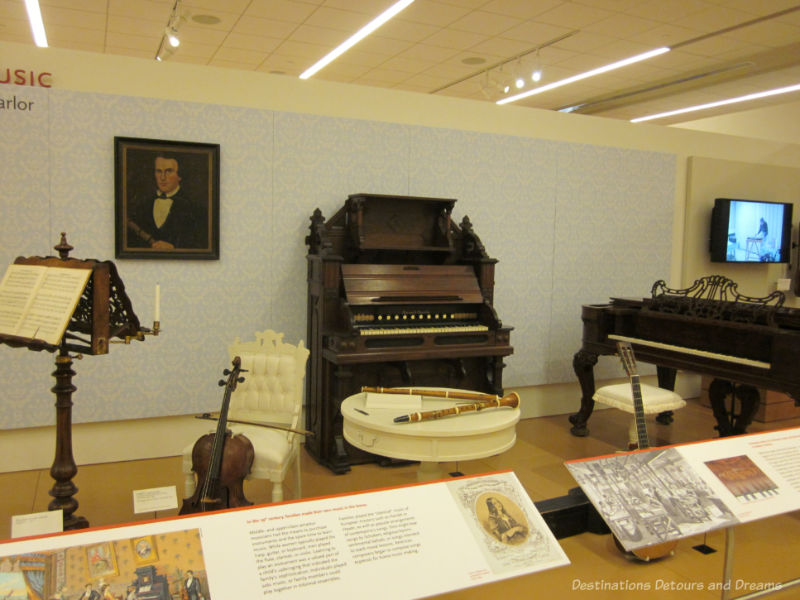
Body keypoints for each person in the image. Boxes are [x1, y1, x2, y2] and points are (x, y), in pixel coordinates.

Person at [127, 153, 204, 250]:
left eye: (169, 171)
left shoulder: (195, 209)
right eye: (159, 171)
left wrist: (174, 248)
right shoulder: (142, 206)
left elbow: (201, 246)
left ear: (179, 176)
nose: (162, 178)